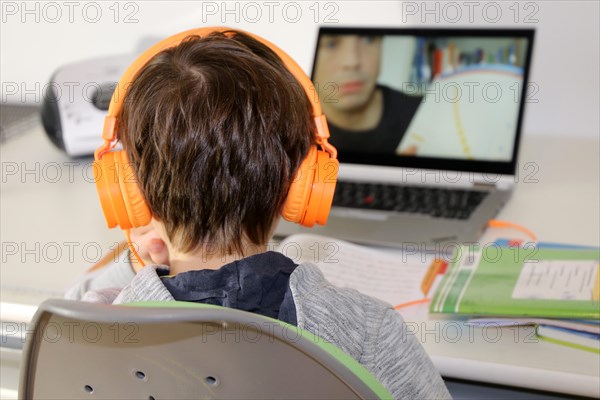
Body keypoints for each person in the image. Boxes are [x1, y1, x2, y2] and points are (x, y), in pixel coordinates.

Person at [65, 29, 451, 399]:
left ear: (128, 191)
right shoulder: (371, 333)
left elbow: (72, 300)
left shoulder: (91, 323)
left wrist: (143, 257)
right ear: (300, 182)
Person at [313, 34, 422, 155]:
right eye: (331, 44)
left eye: (368, 39)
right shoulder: (289, 122)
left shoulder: (425, 113)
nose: (352, 61)